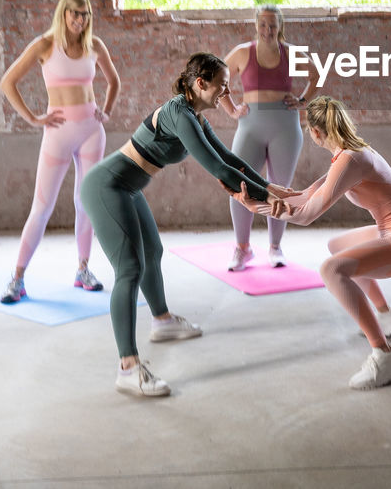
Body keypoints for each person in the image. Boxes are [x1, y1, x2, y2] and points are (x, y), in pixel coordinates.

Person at [80, 52, 293, 396]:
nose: (226, 93)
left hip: (129, 187)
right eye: (222, 86)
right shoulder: (179, 113)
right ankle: (127, 367)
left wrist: (268, 186)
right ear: (200, 84)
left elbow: (229, 159)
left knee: (153, 250)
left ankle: (162, 321)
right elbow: (218, 169)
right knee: (129, 268)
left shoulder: (194, 116)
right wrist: (272, 199)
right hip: (107, 185)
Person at [235, 96, 391, 391]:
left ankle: (385, 355)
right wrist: (262, 192)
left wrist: (256, 208)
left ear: (314, 132)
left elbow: (306, 215)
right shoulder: (349, 153)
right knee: (338, 247)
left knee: (331, 270)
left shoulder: (350, 160)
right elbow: (305, 195)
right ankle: (386, 318)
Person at [0, 0, 121, 304]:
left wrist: (106, 111)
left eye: (85, 15)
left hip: (92, 132)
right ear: (63, 14)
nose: (80, 20)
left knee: (87, 203)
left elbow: (114, 81)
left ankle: (83, 270)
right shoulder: (45, 44)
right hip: (58, 132)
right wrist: (32, 118)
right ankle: (17, 278)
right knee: (42, 207)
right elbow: (7, 82)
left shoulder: (95, 45)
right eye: (74, 14)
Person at [219, 5, 316, 271]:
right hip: (250, 125)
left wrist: (302, 101)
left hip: (285, 126)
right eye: (263, 25)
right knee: (238, 185)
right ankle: (243, 249)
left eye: (272, 25)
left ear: (280, 26)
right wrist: (231, 109)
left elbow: (316, 74)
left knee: (279, 188)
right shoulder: (242, 52)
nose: (267, 30)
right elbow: (218, 78)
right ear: (256, 25)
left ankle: (275, 247)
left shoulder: (291, 53)